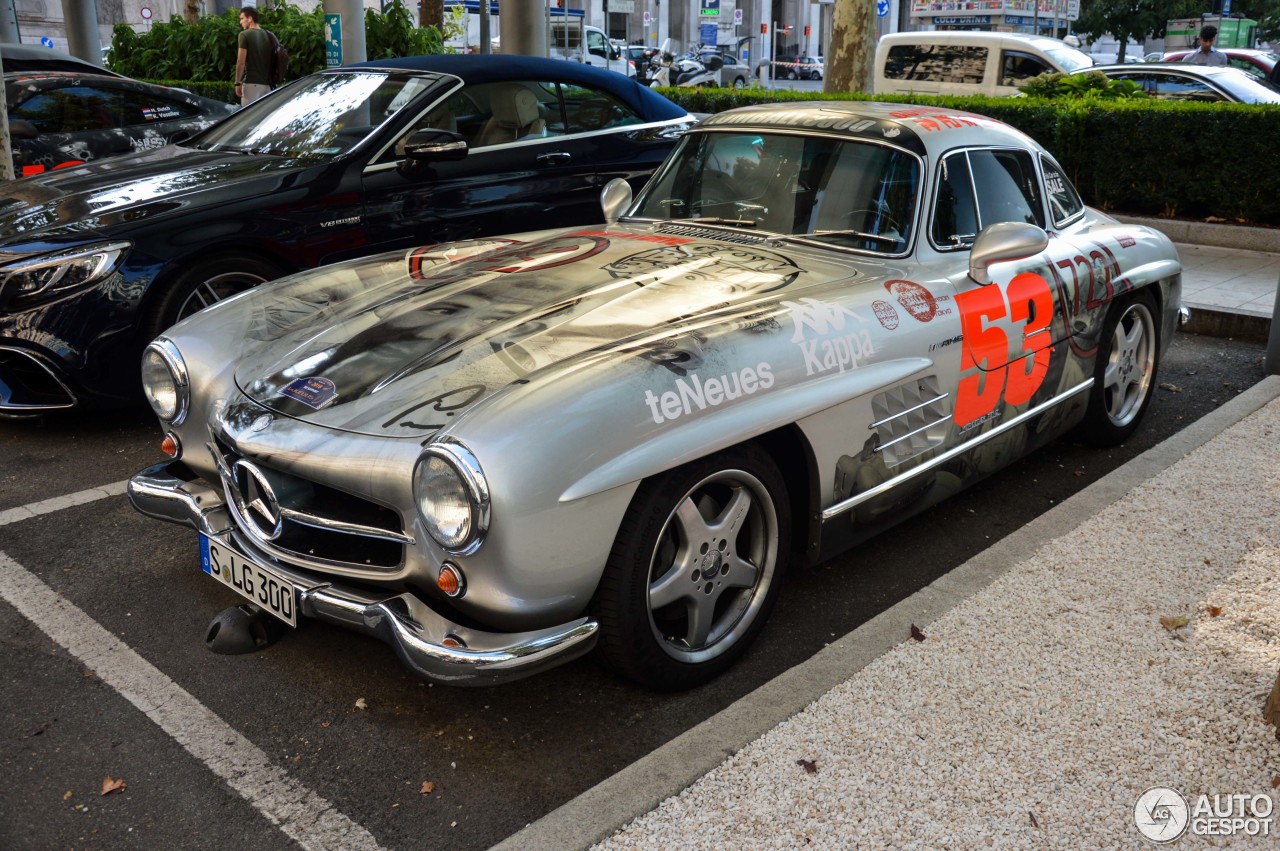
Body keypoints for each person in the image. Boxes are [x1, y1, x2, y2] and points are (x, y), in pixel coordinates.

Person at [235, 6, 272, 105]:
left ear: (250, 19)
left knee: (248, 117)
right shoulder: (270, 35)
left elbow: (240, 62)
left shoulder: (244, 35)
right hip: (268, 85)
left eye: (242, 18)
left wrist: (237, 83)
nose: (240, 22)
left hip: (251, 84)